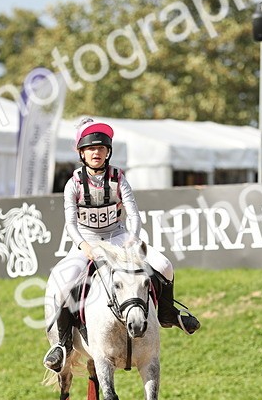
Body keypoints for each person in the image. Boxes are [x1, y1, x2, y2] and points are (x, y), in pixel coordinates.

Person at [42, 119, 200, 373]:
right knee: (62, 282)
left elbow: (134, 214)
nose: (97, 153)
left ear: (108, 152)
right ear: (82, 153)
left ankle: (168, 313)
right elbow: (70, 223)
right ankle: (62, 344)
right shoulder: (73, 184)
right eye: (91, 149)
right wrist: (84, 246)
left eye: (102, 148)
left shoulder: (119, 179)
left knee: (164, 265)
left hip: (118, 235)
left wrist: (132, 238)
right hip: (87, 240)